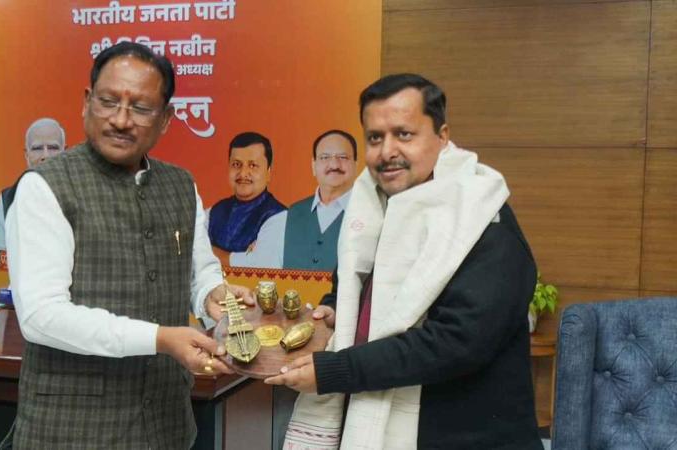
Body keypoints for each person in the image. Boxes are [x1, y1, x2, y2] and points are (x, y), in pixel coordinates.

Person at [266, 74, 543, 450]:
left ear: (442, 136)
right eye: (375, 138)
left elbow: (454, 343)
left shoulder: (483, 222)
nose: (387, 151)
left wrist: (335, 371)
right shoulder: (374, 208)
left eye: (404, 134)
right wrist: (336, 310)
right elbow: (351, 285)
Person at [6, 42, 253, 449]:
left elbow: (199, 270)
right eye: (108, 102)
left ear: (166, 119)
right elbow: (41, 316)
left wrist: (212, 294)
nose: (121, 120)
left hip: (166, 428)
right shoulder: (44, 187)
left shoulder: (180, 185)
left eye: (140, 108)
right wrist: (160, 338)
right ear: (87, 102)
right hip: (73, 433)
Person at [229, 130, 357, 270]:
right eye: (325, 157)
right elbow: (259, 265)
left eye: (343, 157)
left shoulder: (369, 215)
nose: (334, 165)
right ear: (313, 166)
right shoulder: (287, 218)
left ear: (355, 165)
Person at [0, 117, 66, 257]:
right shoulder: (7, 200)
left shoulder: (83, 196)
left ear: (65, 153)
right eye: (37, 148)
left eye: (53, 148)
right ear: (26, 155)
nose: (45, 156)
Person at [207, 132, 286, 263]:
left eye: (253, 165)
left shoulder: (280, 218)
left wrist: (207, 252)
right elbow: (188, 250)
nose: (243, 173)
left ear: (268, 173)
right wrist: (240, 258)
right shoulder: (215, 211)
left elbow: (257, 266)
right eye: (236, 164)